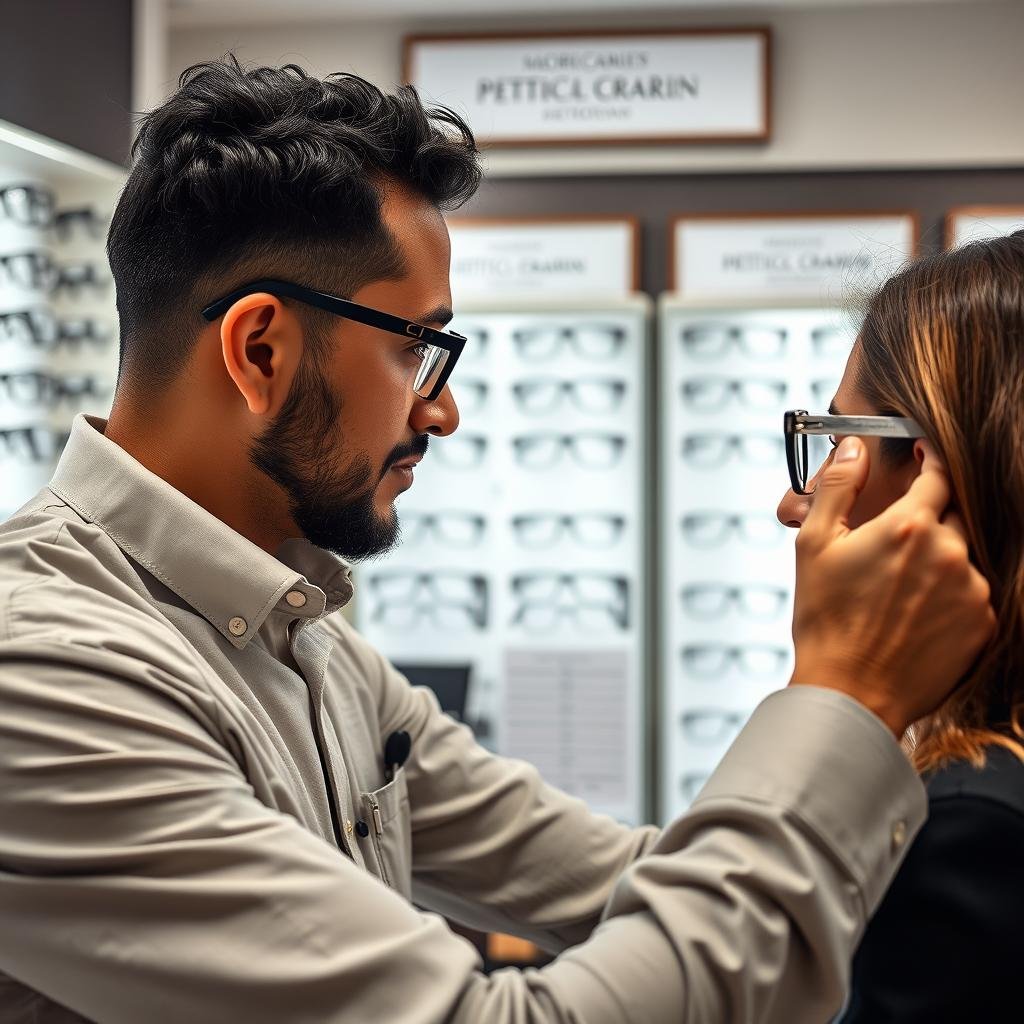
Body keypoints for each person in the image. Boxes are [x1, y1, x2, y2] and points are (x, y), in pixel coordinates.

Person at [0, 58, 994, 1024]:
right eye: (415, 350)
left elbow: (628, 882)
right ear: (261, 350)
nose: (444, 413)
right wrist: (840, 696)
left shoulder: (307, 644)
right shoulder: (42, 675)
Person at [779, 231, 1024, 1024]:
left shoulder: (972, 826)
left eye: (840, 443)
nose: (798, 502)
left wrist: (831, 693)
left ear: (931, 478)